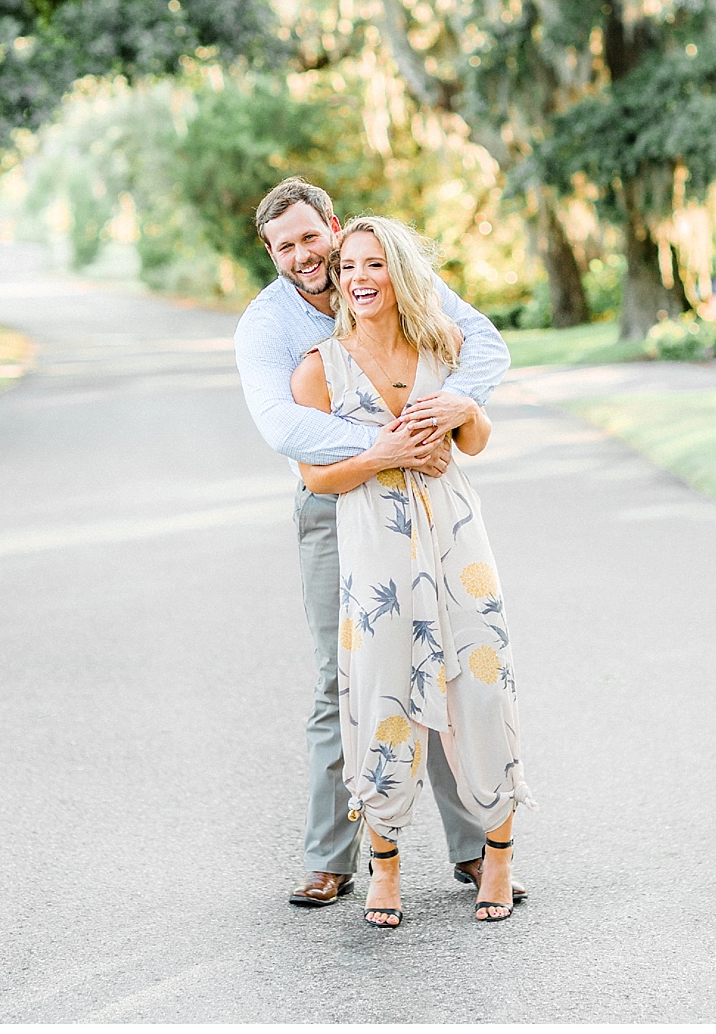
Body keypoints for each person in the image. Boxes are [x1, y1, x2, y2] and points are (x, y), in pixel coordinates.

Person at [232, 178, 526, 913]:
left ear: (332, 226)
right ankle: (333, 858)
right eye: (285, 246)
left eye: (310, 237)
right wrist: (395, 443)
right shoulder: (269, 329)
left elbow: (481, 347)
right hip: (340, 503)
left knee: (453, 663)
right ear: (270, 253)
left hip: (433, 501)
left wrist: (460, 406)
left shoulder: (394, 278)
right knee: (351, 674)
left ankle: (471, 849)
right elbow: (285, 432)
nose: (305, 255)